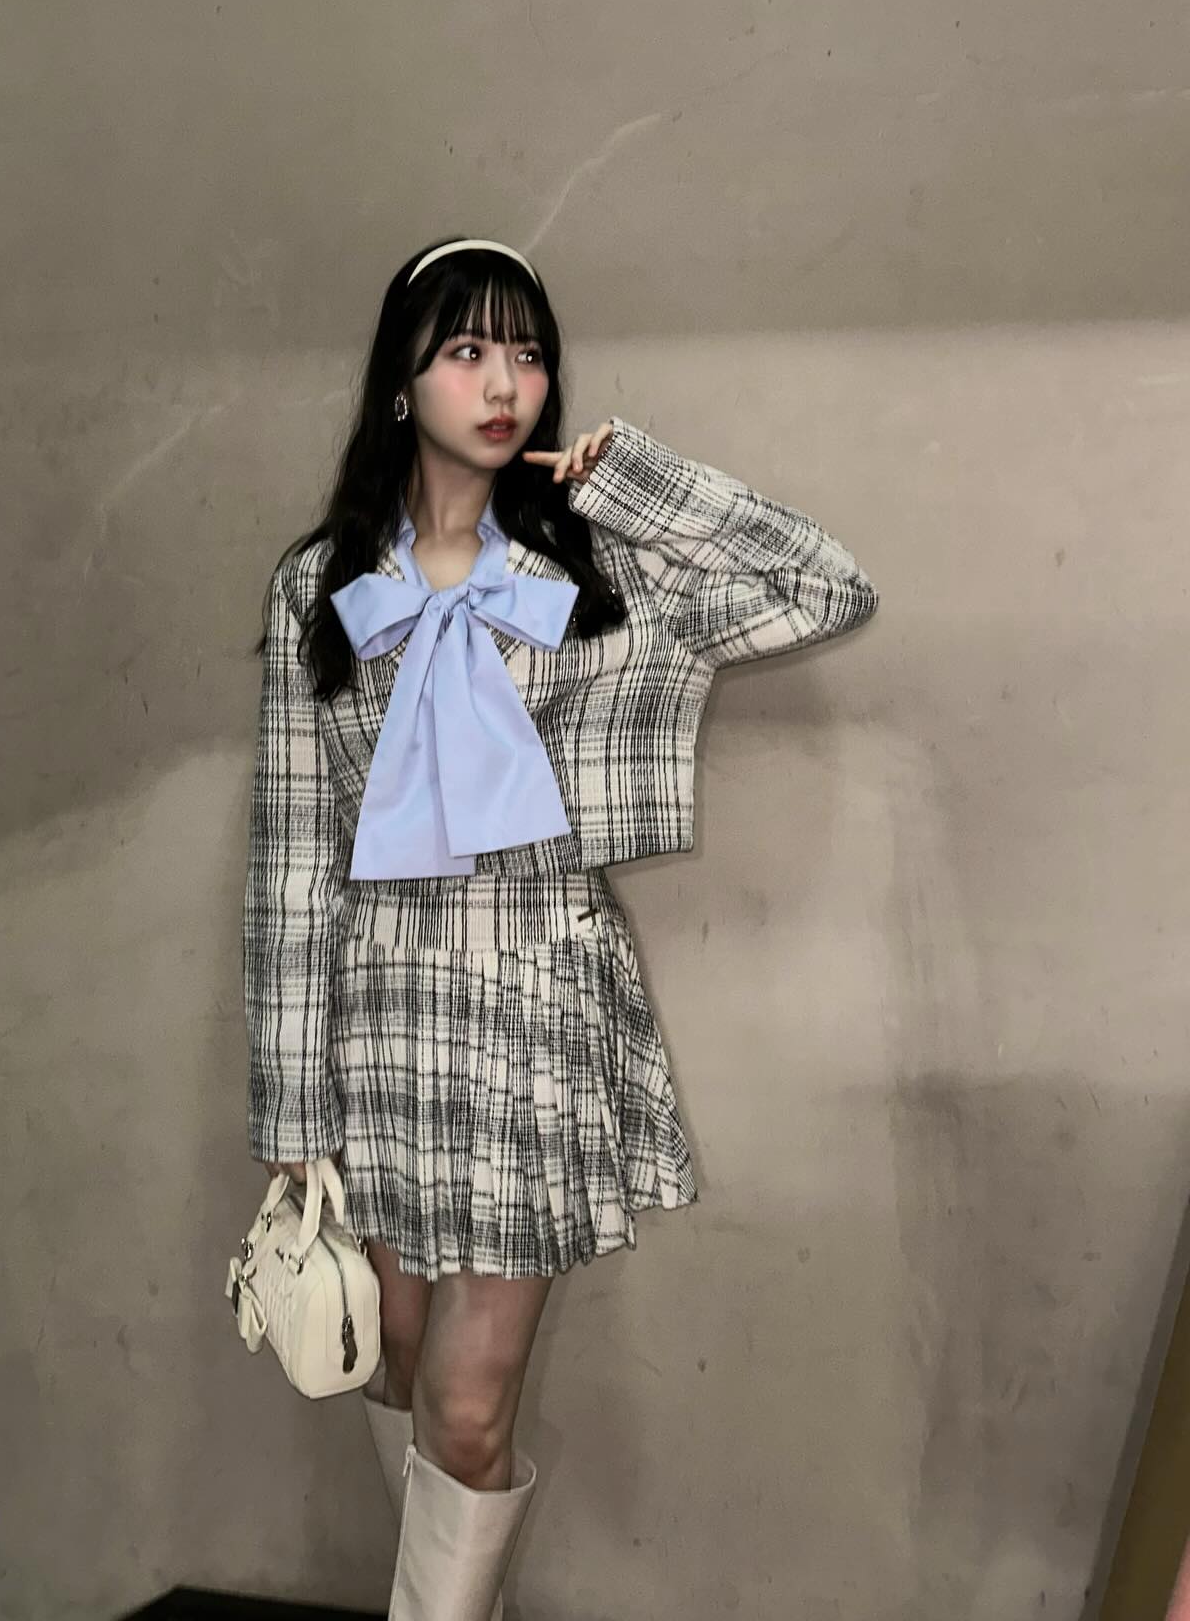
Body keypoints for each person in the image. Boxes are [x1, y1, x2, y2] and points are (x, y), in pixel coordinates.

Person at [241, 236, 880, 1619]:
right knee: (394, 1363)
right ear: (401, 381)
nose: (504, 383)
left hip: (534, 999)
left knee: (470, 1410)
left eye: (526, 354)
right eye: (467, 350)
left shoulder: (598, 575)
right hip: (380, 1017)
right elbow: (291, 859)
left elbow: (829, 585)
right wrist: (293, 1108)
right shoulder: (321, 588)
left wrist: (635, 484)